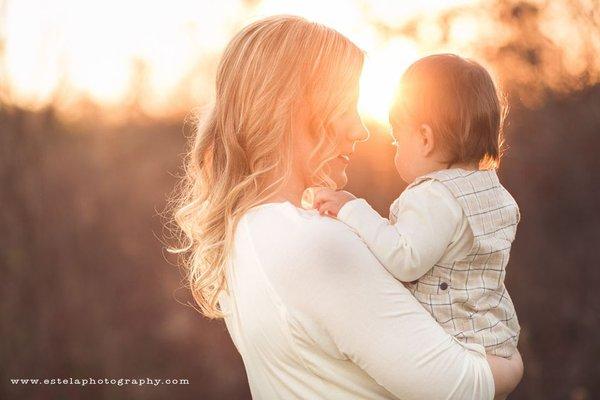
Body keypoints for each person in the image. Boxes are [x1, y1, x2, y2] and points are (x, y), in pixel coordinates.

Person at [171, 15, 523, 399]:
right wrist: (512, 366)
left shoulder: (245, 232)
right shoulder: (317, 244)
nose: (362, 130)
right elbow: (462, 389)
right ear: (297, 113)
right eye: (348, 107)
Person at [312, 54, 521, 359]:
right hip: (494, 339)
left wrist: (352, 208)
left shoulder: (434, 195)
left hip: (452, 346)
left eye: (397, 140)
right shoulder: (494, 192)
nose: (395, 149)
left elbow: (404, 258)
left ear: (425, 138)